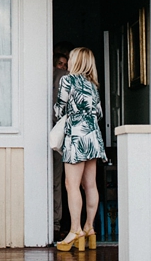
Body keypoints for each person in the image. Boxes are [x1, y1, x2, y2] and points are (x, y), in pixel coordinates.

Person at [54, 47, 106, 253]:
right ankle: (89, 228)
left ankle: (75, 230)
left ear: (76, 61)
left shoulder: (67, 80)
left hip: (76, 135)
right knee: (90, 185)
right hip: (93, 135)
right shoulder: (93, 85)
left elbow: (59, 110)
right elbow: (99, 113)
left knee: (71, 184)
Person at [51, 49, 70, 239]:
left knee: (57, 180)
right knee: (56, 180)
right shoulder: (62, 79)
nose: (63, 69)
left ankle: (56, 223)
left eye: (66, 65)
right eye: (60, 64)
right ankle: (55, 224)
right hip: (55, 133)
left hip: (56, 135)